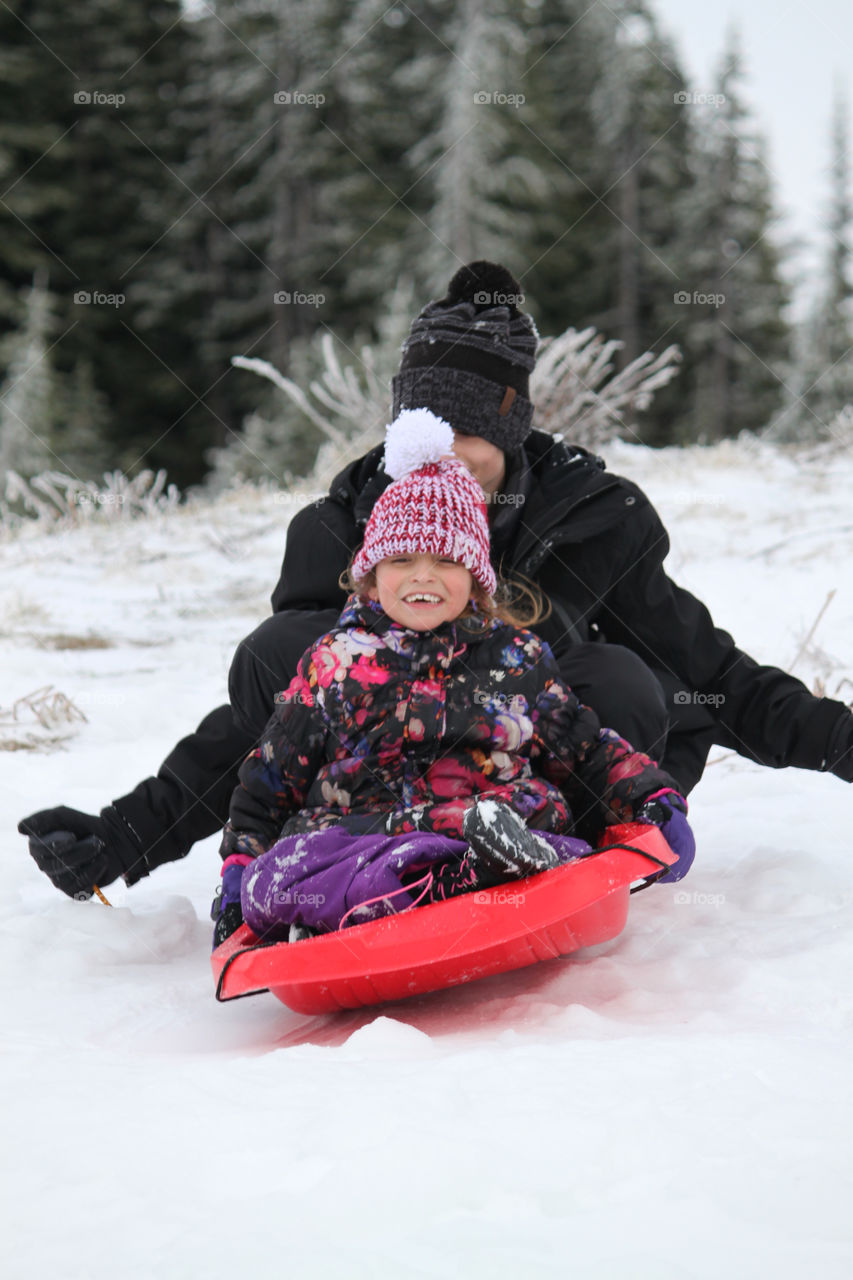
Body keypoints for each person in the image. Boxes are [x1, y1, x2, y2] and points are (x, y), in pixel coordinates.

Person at [19, 261, 853, 901]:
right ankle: (361, 852)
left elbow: (712, 678)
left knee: (624, 679)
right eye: (425, 433)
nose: (444, 456)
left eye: (467, 434)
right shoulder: (343, 522)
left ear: (510, 424)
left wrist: (839, 742)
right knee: (283, 647)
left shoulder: (596, 517)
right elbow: (274, 721)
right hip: (376, 788)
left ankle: (564, 850)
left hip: (540, 777)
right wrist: (124, 836)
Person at [210, 409, 693, 947]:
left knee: (562, 841)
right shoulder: (332, 665)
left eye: (445, 560)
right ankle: (424, 889)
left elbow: (586, 751)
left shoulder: (518, 660)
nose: (423, 575)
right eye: (403, 560)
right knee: (282, 877)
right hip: (368, 844)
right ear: (371, 578)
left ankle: (478, 871)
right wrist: (238, 874)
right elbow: (269, 784)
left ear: (475, 577)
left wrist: (654, 800)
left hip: (486, 827)